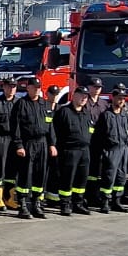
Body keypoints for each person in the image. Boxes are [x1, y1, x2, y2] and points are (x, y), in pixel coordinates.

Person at [48, 83, 96, 216]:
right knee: (67, 178)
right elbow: (54, 131)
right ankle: (65, 204)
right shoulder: (64, 112)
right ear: (74, 96)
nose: (84, 98)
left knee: (82, 178)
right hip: (69, 151)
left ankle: (78, 203)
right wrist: (53, 145)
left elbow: (90, 130)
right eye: (81, 96)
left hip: (84, 151)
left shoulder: (87, 113)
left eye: (86, 97)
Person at [12, 83, 56, 218]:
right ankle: (22, 205)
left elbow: (50, 125)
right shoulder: (21, 104)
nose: (36, 90)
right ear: (28, 88)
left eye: (38, 88)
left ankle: (36, 203)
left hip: (42, 143)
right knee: (25, 174)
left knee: (40, 174)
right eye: (34, 87)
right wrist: (19, 145)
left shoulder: (45, 104)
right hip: (27, 143)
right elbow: (15, 126)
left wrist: (52, 144)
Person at [95, 84, 128, 213]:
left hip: (123, 149)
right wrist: (103, 152)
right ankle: (105, 201)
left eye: (123, 98)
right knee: (109, 177)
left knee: (121, 176)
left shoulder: (125, 115)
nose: (122, 101)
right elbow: (99, 135)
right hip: (110, 150)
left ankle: (117, 201)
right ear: (113, 98)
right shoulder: (106, 115)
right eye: (119, 98)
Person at [0, 78, 21, 213]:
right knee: (0, 170)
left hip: (15, 139)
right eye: (9, 86)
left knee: (12, 171)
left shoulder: (19, 103)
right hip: (1, 139)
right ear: (4, 87)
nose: (11, 89)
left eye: (14, 86)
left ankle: (9, 198)